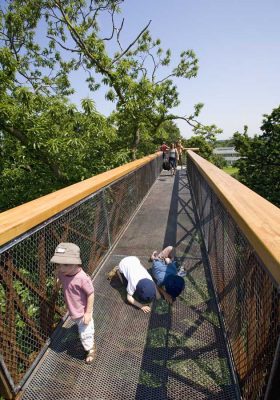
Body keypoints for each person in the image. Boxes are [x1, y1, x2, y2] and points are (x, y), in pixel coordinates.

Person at [50, 242, 96, 364]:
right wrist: (58, 280)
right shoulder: (63, 272)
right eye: (59, 265)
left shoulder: (82, 278)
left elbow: (91, 294)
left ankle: (90, 349)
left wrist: (88, 313)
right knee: (79, 325)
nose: (61, 268)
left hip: (83, 312)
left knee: (86, 333)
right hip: (73, 310)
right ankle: (85, 333)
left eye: (65, 264)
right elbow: (59, 276)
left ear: (76, 263)